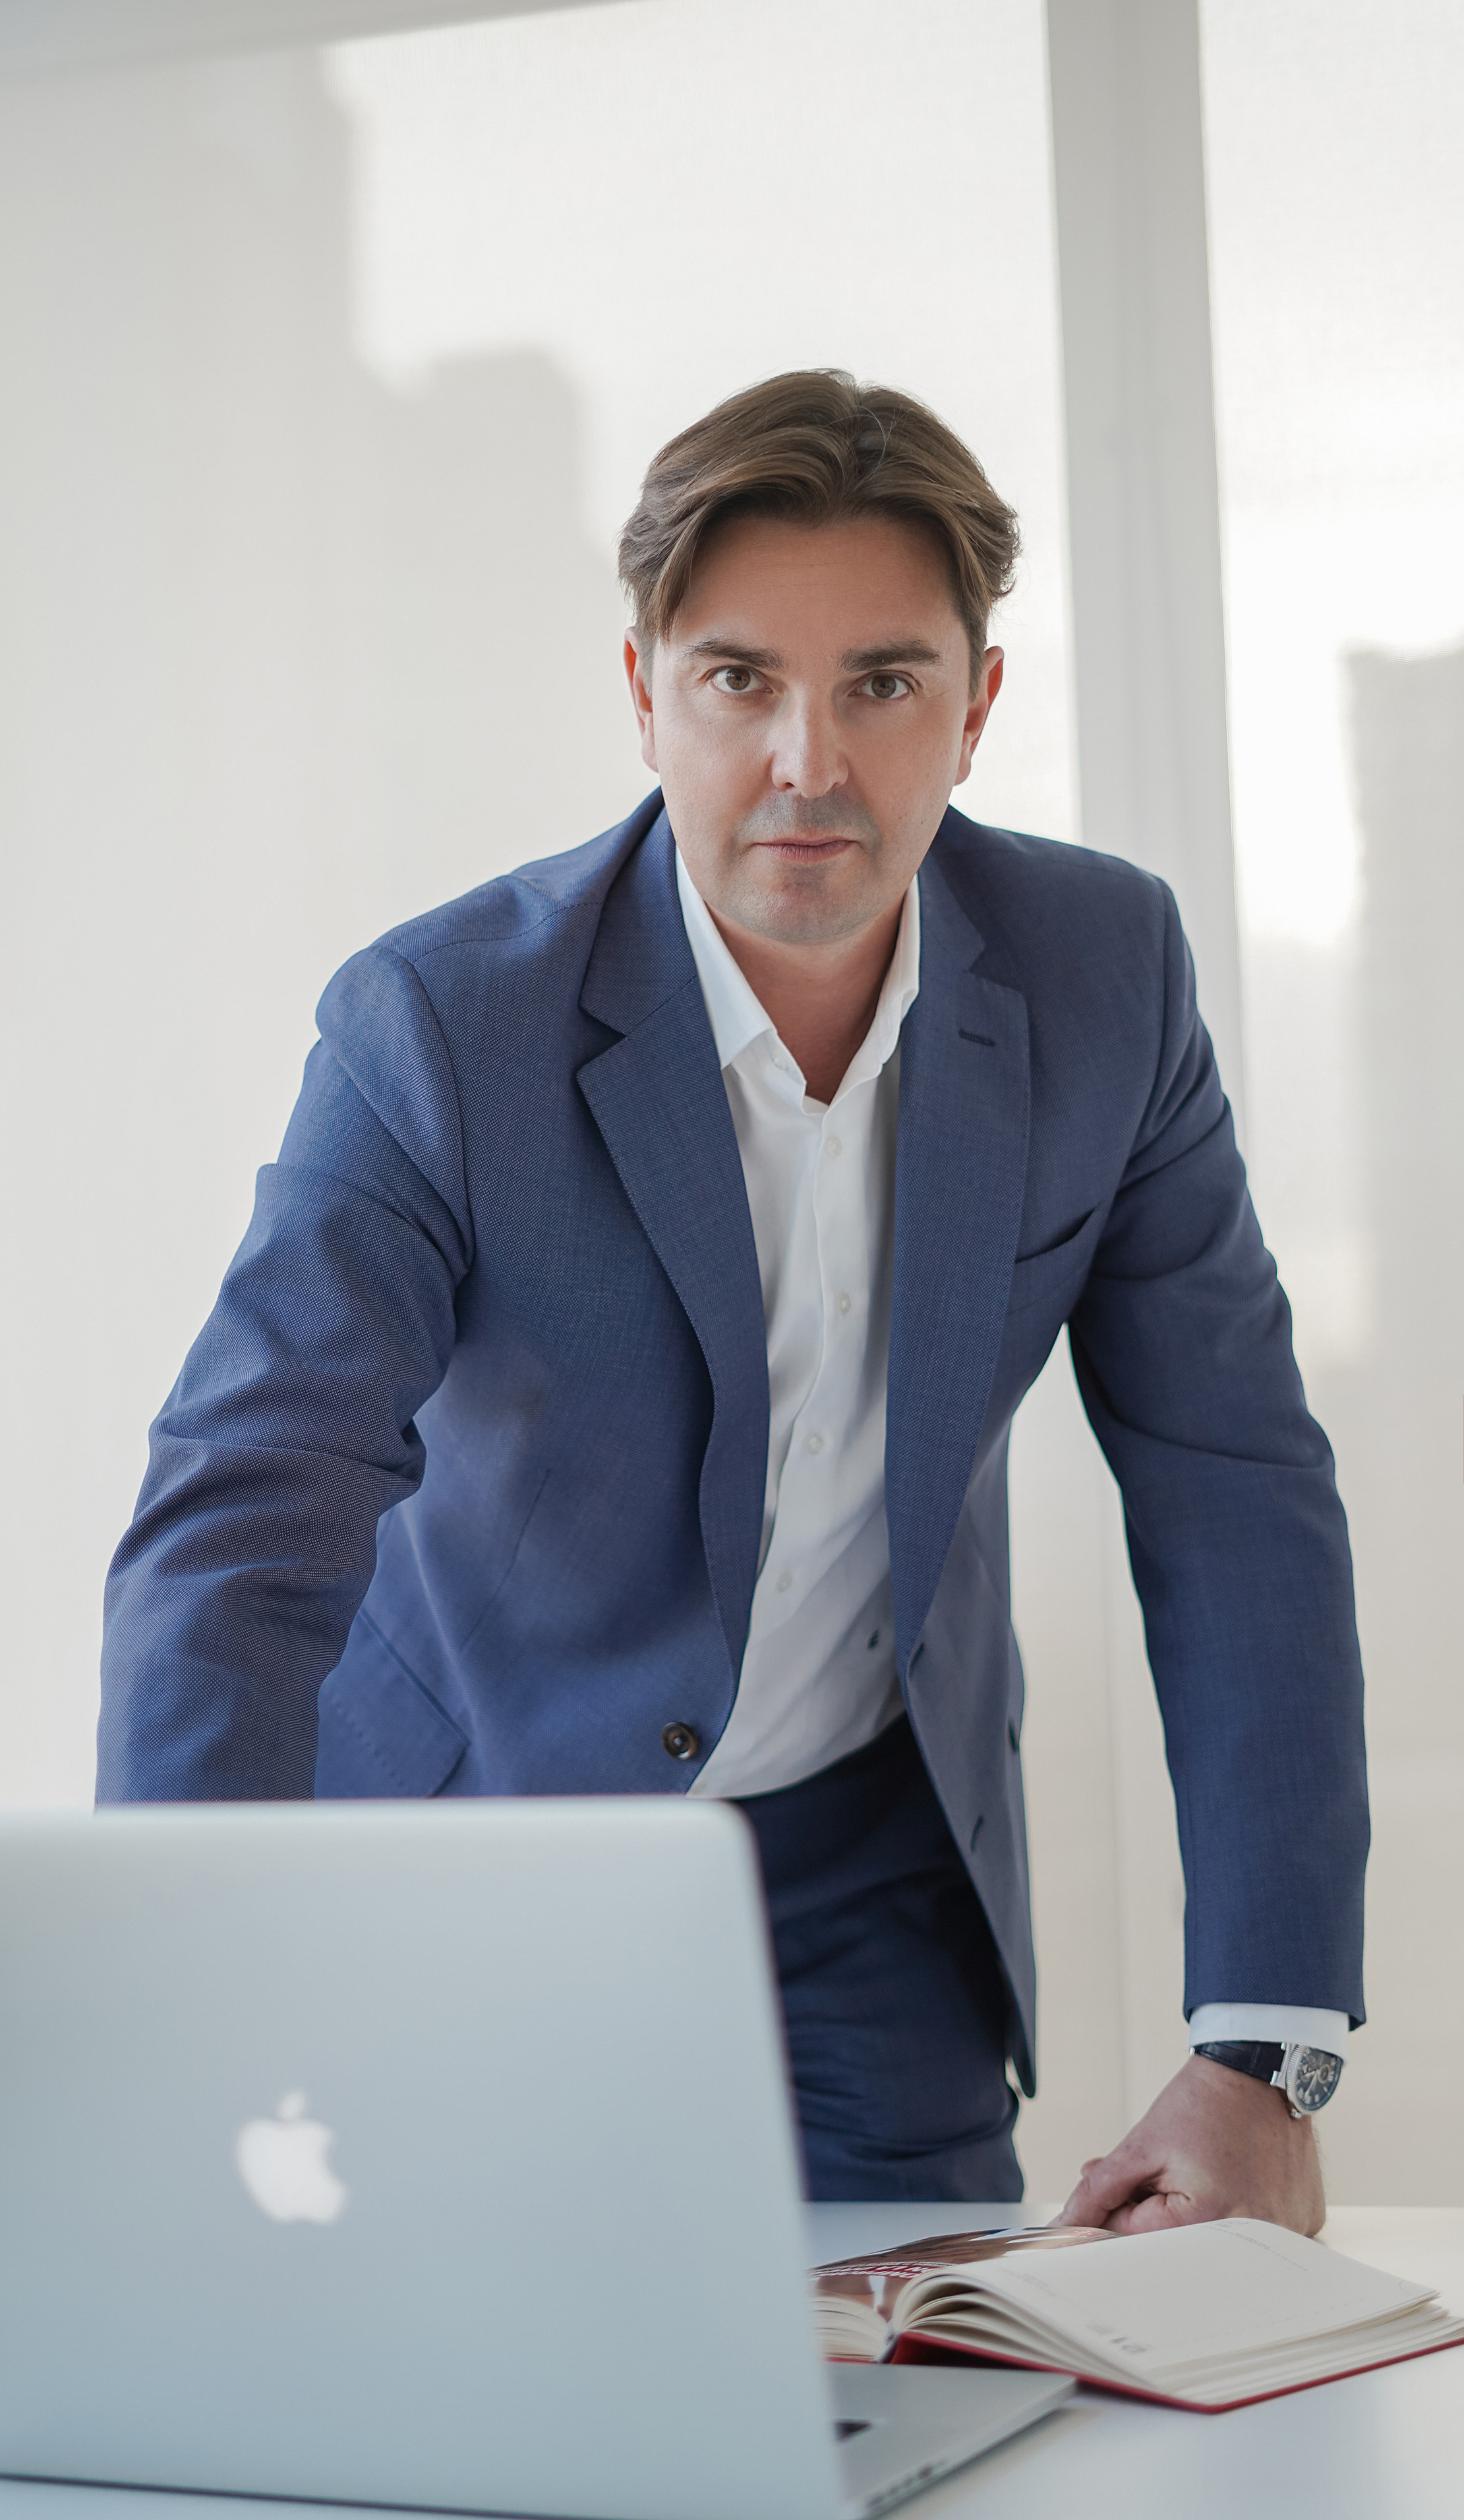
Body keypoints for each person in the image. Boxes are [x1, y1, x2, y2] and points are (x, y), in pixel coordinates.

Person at [98, 370, 1367, 2225]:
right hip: (487, 1841)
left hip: (867, 1860)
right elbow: (245, 1517)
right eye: (738, 679)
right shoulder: (445, 1029)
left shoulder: (1108, 981)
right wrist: (181, 2014)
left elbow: (1233, 1484)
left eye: (882, 682)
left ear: (976, 705)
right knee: (472, 2406)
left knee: (926, 2405)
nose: (808, 762)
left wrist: (1263, 2052)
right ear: (644, 695)